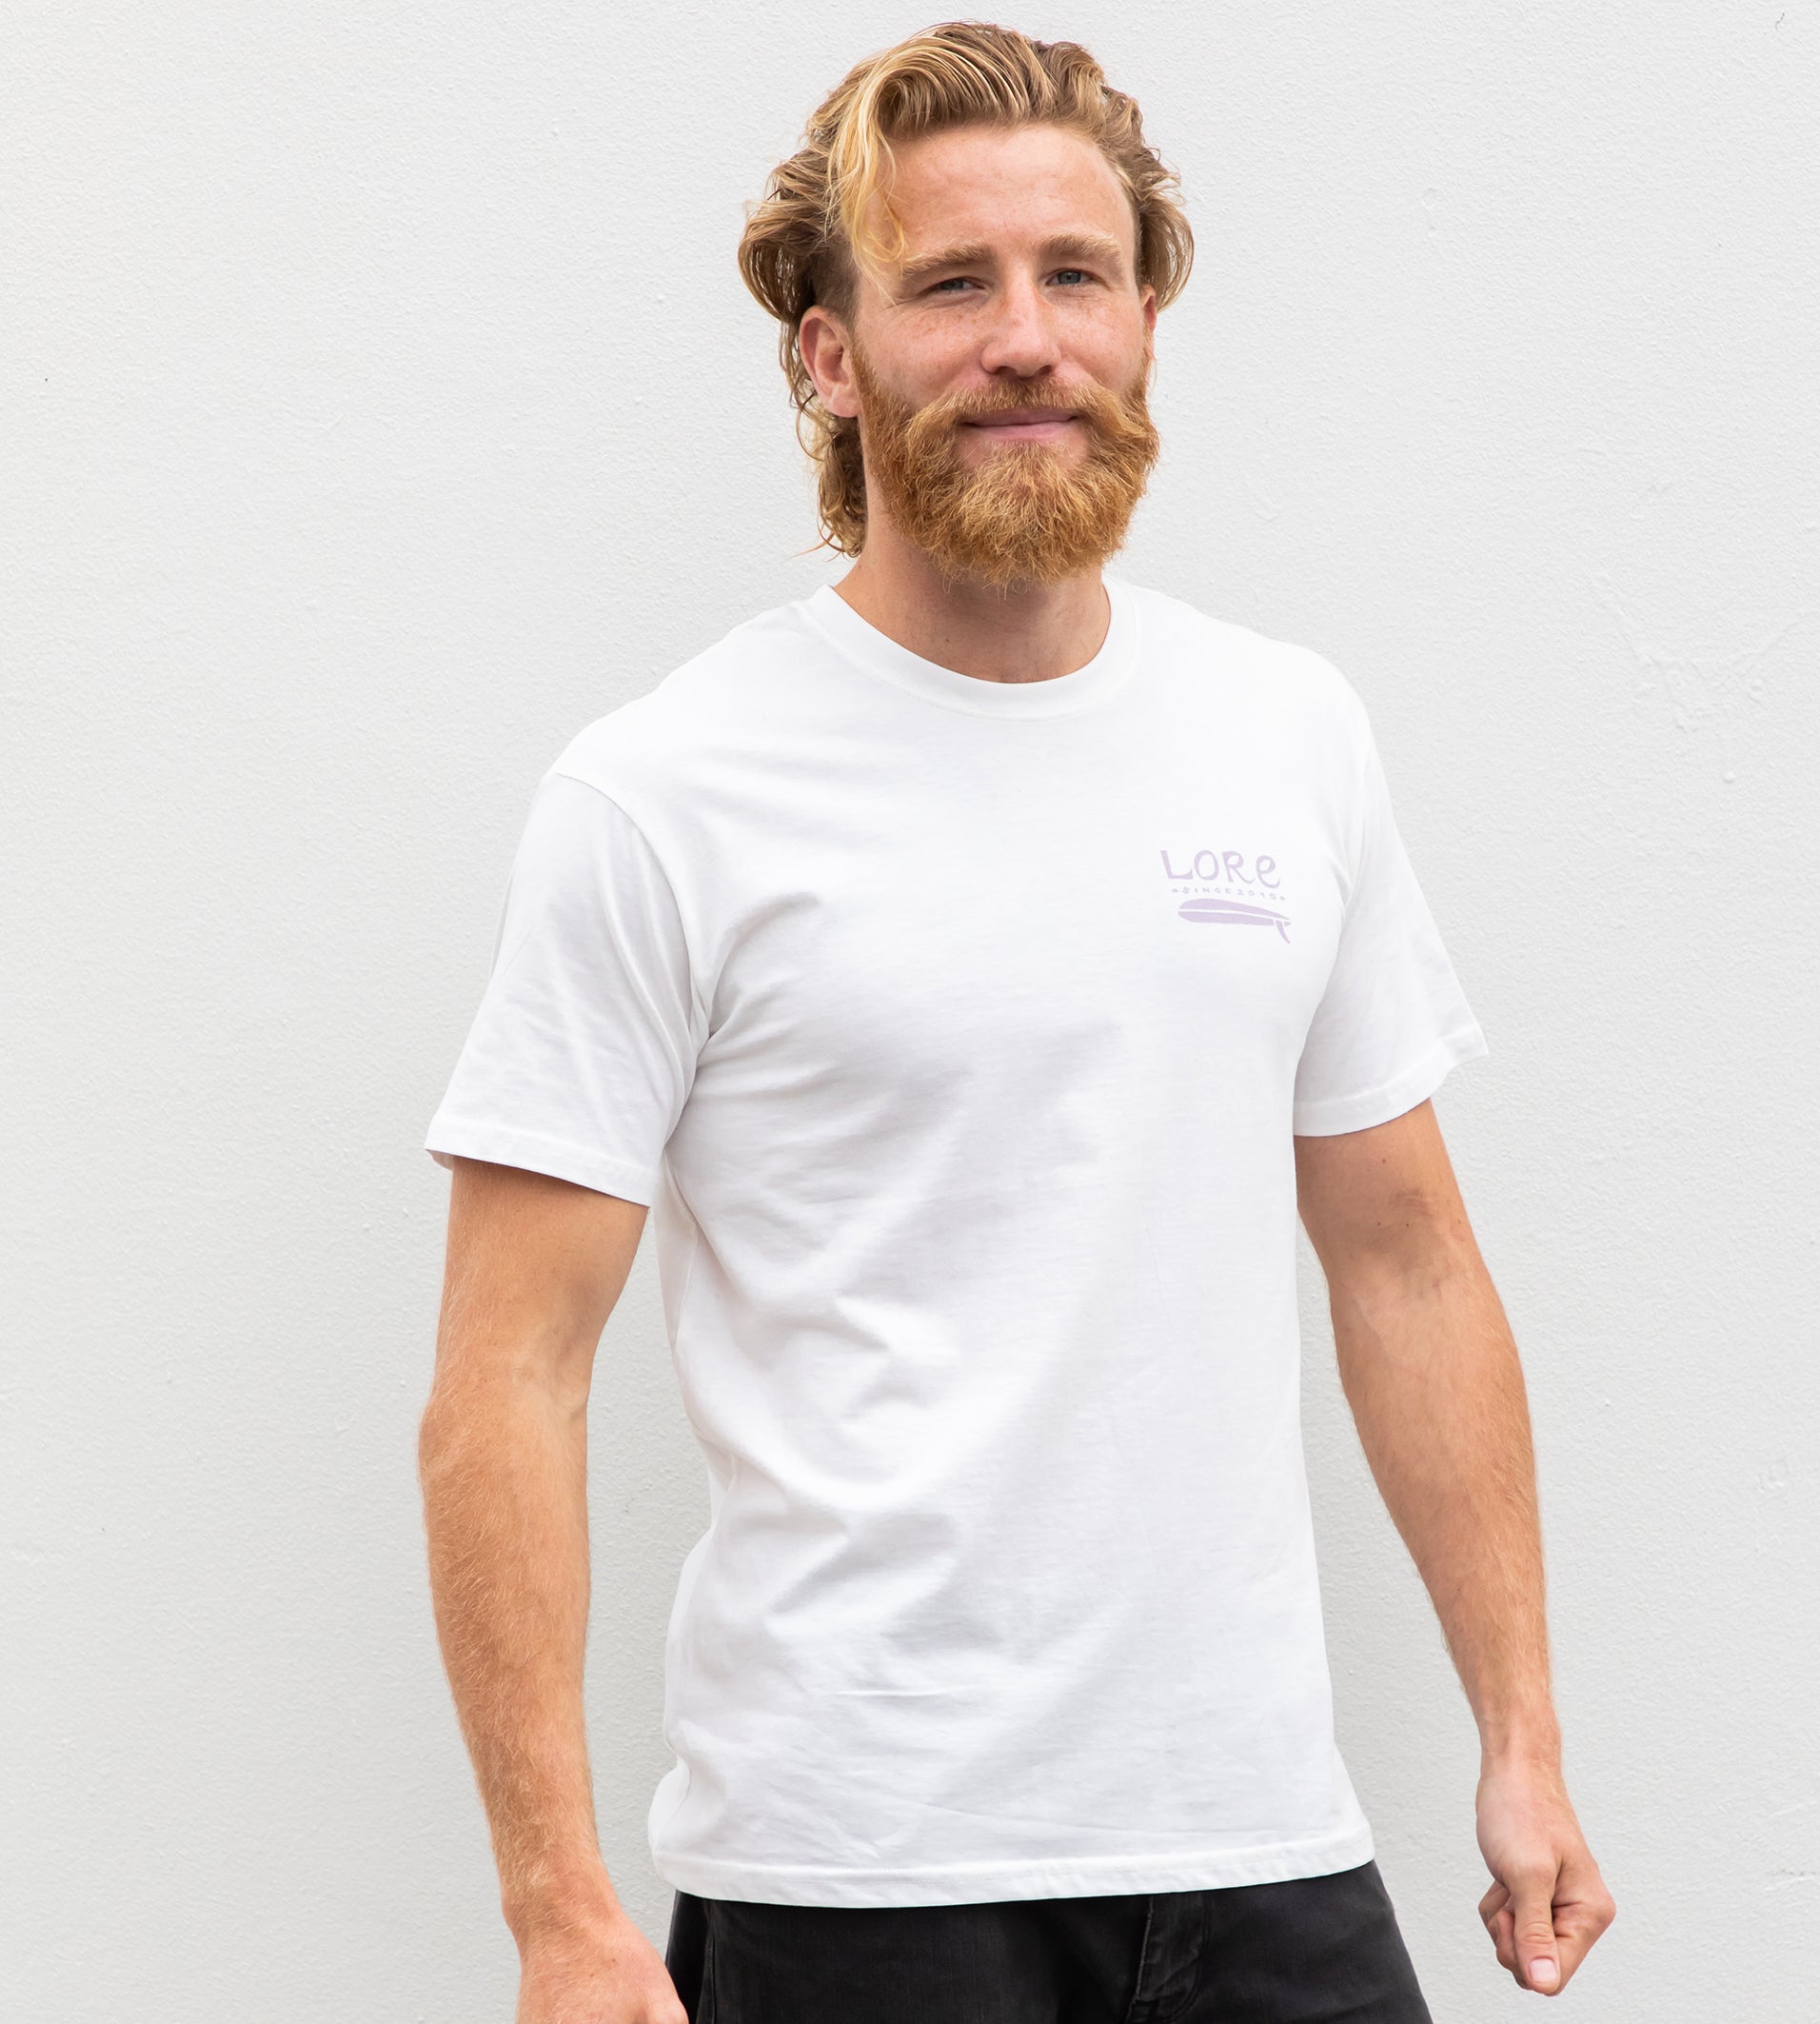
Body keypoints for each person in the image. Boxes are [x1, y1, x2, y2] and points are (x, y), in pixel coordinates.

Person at [417, 22, 1613, 2023]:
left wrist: (1521, 1734)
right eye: (950, 284)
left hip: (1262, 1847)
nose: (1026, 340)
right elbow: (506, 1375)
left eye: (1076, 274)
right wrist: (558, 1905)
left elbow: (1406, 1261)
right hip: (858, 1879)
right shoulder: (667, 791)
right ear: (829, 356)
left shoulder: (1284, 732)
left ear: (1144, 322)